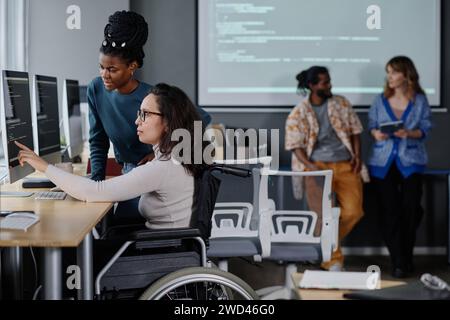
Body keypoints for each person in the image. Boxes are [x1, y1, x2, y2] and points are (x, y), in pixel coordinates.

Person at [16, 83, 210, 229]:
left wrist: (43, 167)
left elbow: (93, 191)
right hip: (165, 246)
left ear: (167, 122)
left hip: (159, 253)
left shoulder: (164, 167)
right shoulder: (177, 158)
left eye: (145, 114)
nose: (136, 121)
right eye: (138, 113)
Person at [88, 11, 211, 223]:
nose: (104, 74)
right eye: (101, 67)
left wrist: (158, 155)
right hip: (128, 172)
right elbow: (98, 140)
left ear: (132, 67)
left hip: (152, 178)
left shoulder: (151, 98)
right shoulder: (96, 89)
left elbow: (201, 119)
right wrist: (96, 181)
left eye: (112, 69)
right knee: (102, 223)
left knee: (119, 228)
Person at [285, 66, 365, 271]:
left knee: (354, 212)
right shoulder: (299, 113)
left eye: (329, 81)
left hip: (346, 165)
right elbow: (295, 146)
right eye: (324, 82)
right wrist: (312, 168)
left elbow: (355, 130)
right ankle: (333, 260)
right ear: (312, 86)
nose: (329, 85)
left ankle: (322, 244)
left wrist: (357, 155)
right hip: (316, 168)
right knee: (323, 216)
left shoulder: (341, 103)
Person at [368, 56, 432, 278]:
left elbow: (425, 128)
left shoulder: (420, 100)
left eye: (394, 72)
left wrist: (409, 133)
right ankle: (399, 261)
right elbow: (372, 127)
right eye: (388, 73)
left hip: (411, 161)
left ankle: (406, 255)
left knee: (412, 210)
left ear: (406, 74)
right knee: (390, 212)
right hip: (382, 163)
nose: (390, 77)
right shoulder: (379, 100)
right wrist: (376, 134)